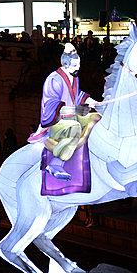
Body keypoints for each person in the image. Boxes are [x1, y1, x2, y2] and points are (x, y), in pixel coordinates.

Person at [38, 43, 99, 180]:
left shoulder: (74, 77)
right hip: (57, 122)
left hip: (73, 115)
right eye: (74, 65)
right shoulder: (54, 79)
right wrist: (76, 109)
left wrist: (94, 102)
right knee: (75, 128)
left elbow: (77, 95)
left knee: (96, 117)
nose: (78, 68)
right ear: (65, 65)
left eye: (78, 64)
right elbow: (51, 107)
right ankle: (56, 164)